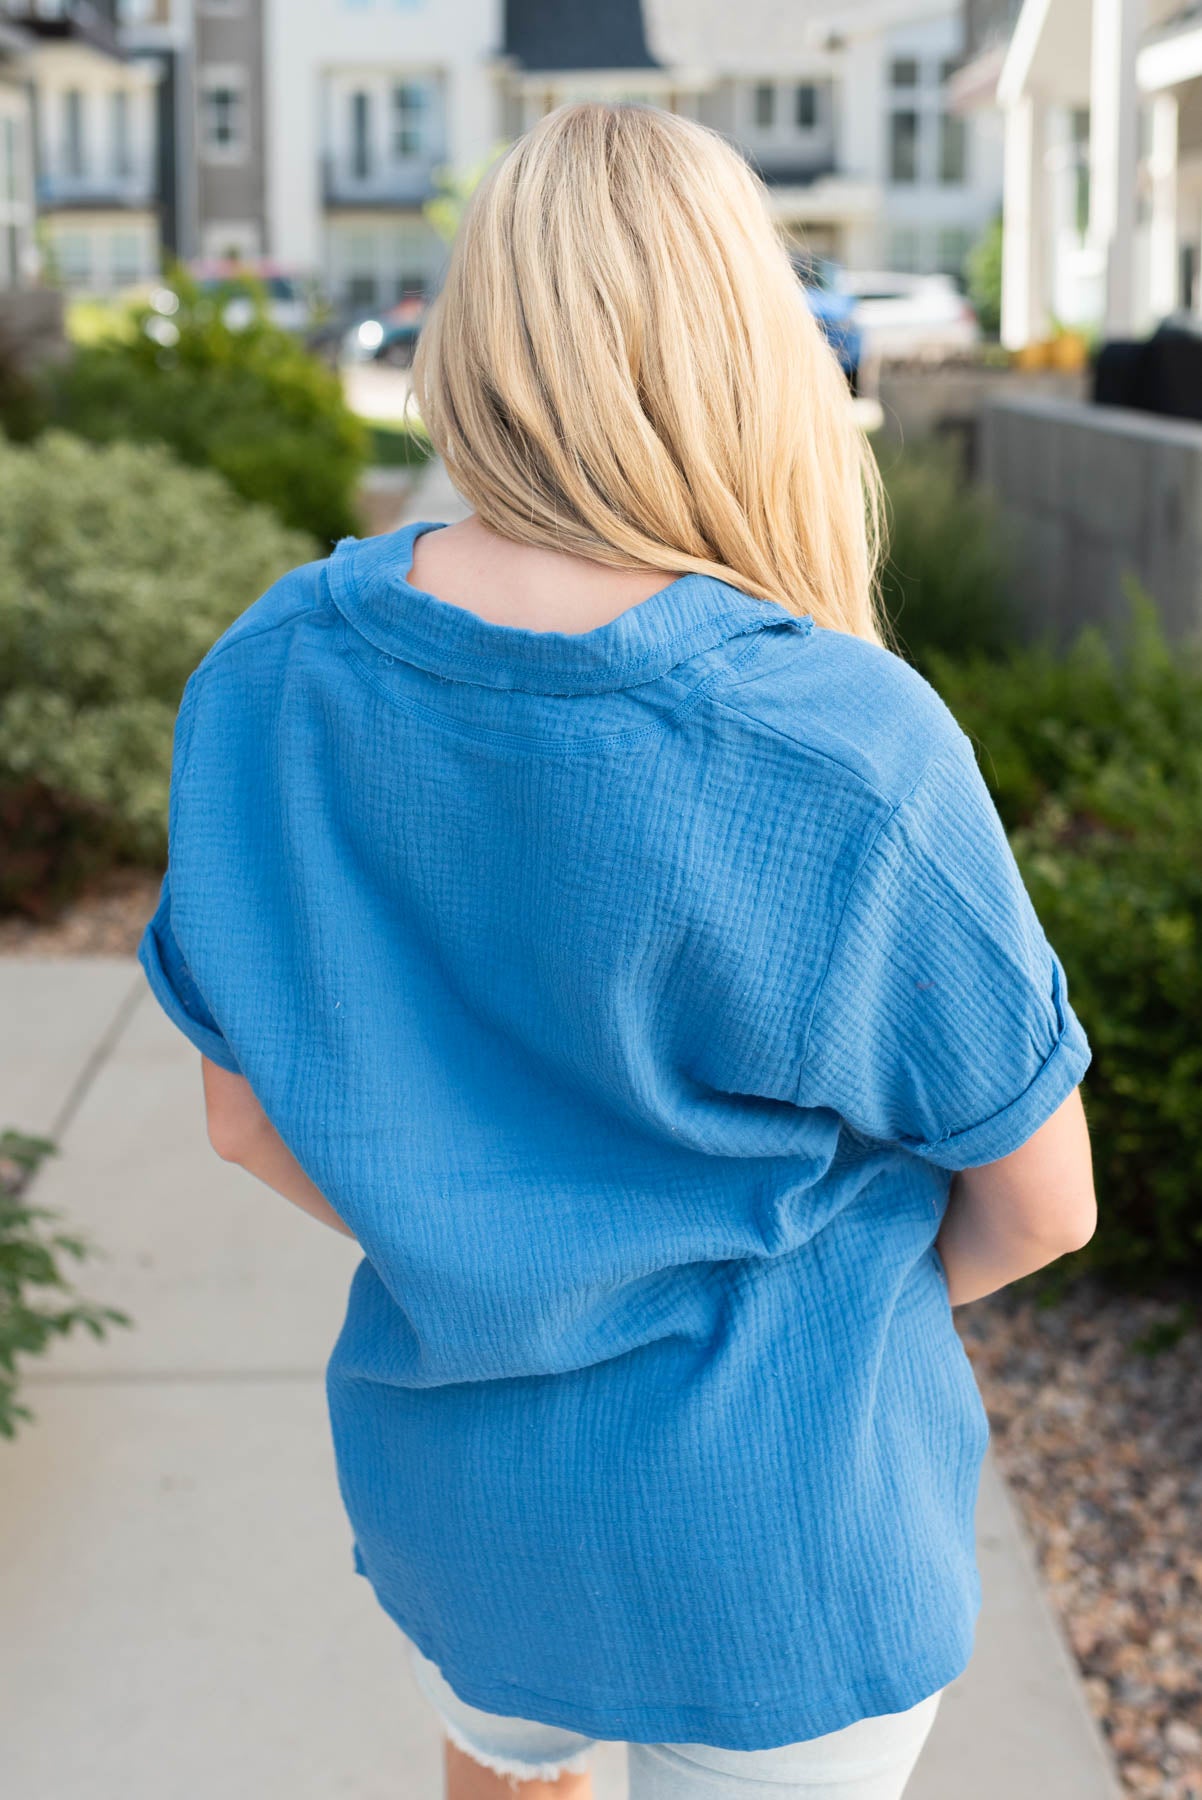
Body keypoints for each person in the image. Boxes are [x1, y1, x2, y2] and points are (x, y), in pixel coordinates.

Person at [138, 101, 1096, 1800]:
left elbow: (240, 1116)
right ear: (751, 354)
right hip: (780, 1561)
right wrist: (788, 1324)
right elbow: (1041, 1204)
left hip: (471, 1519)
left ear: (477, 339)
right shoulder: (840, 748)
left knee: (501, 1762)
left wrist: (487, 1239)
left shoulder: (267, 677)